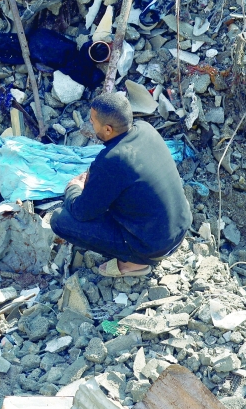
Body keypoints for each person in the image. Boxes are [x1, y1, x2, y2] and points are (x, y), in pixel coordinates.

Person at [49, 92, 191, 277]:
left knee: (60, 219)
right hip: (180, 228)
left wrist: (73, 187)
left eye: (93, 121)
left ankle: (133, 263)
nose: (90, 123)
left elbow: (80, 212)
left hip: (153, 247)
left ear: (108, 129)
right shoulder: (145, 128)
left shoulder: (110, 160)